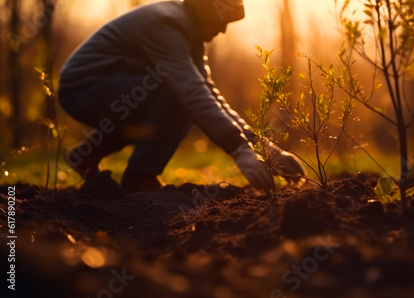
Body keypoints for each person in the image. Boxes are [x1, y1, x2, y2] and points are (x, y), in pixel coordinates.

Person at [58, 0, 305, 193]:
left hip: (107, 91)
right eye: (220, 21)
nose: (222, 29)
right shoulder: (166, 24)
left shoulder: (189, 34)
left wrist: (263, 147)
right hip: (82, 90)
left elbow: (210, 94)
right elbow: (192, 93)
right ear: (204, 11)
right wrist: (238, 150)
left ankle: (88, 155)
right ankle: (140, 176)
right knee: (177, 95)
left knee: (176, 94)